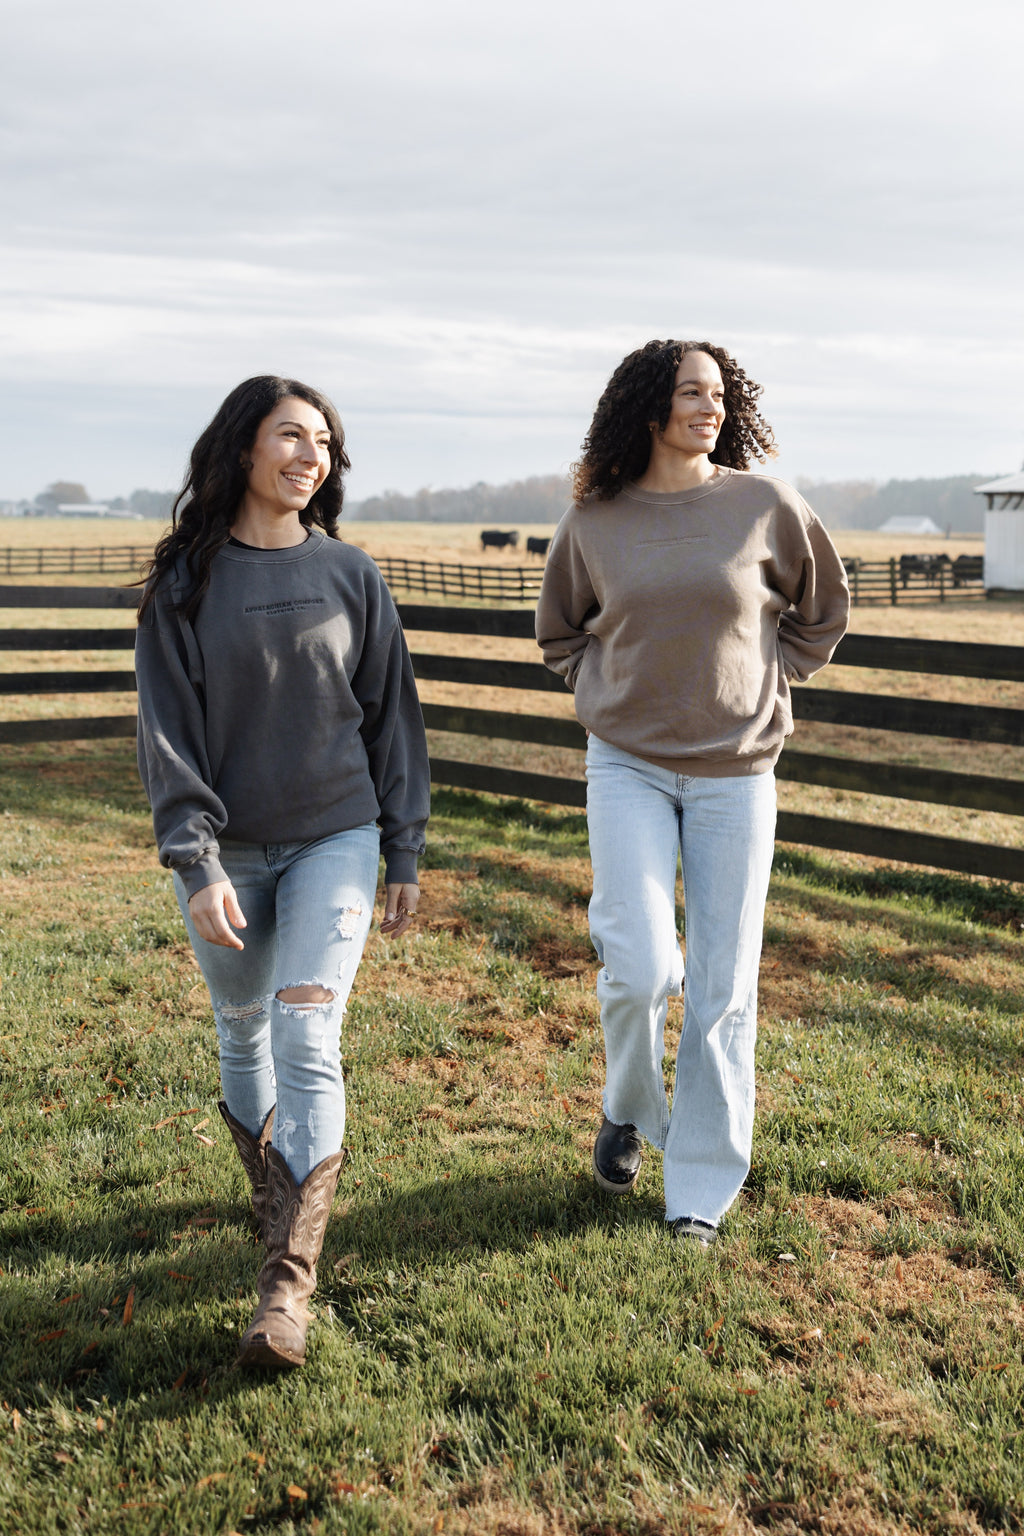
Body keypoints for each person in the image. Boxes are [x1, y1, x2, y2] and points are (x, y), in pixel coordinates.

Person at [135, 375, 429, 1366]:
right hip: (227, 852)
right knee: (243, 1025)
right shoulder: (186, 583)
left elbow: (393, 716)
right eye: (291, 436)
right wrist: (195, 858)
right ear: (244, 450)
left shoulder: (351, 574)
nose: (310, 455)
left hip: (333, 836)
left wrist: (403, 845)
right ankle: (276, 1203)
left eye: (324, 443)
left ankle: (286, 1285)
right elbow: (167, 736)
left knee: (306, 1029)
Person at [535, 339, 849, 1247]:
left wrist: (768, 676)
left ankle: (697, 1196)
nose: (707, 408)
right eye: (688, 394)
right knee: (640, 966)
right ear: (647, 407)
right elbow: (561, 633)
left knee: (722, 986)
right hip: (626, 764)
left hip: (737, 775)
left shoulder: (764, 503)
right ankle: (628, 1105)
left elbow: (822, 611)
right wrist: (604, 691)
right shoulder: (596, 518)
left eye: (717, 394)